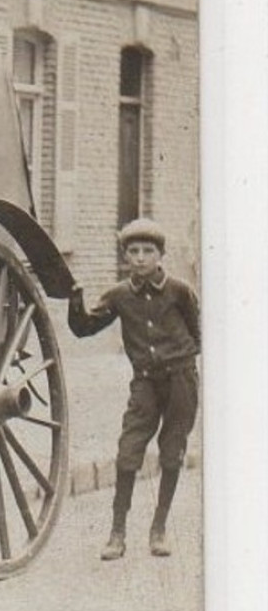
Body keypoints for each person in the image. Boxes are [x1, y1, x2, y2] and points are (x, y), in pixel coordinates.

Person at [68, 218, 200, 560]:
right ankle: (117, 533)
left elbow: (197, 334)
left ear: (161, 255)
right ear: (125, 256)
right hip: (145, 383)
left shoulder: (180, 291)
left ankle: (159, 529)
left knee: (172, 454)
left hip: (181, 382)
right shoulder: (119, 295)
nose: (140, 258)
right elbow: (84, 328)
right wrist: (75, 298)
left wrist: (179, 361)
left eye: (148, 251)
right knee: (128, 453)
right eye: (133, 252)